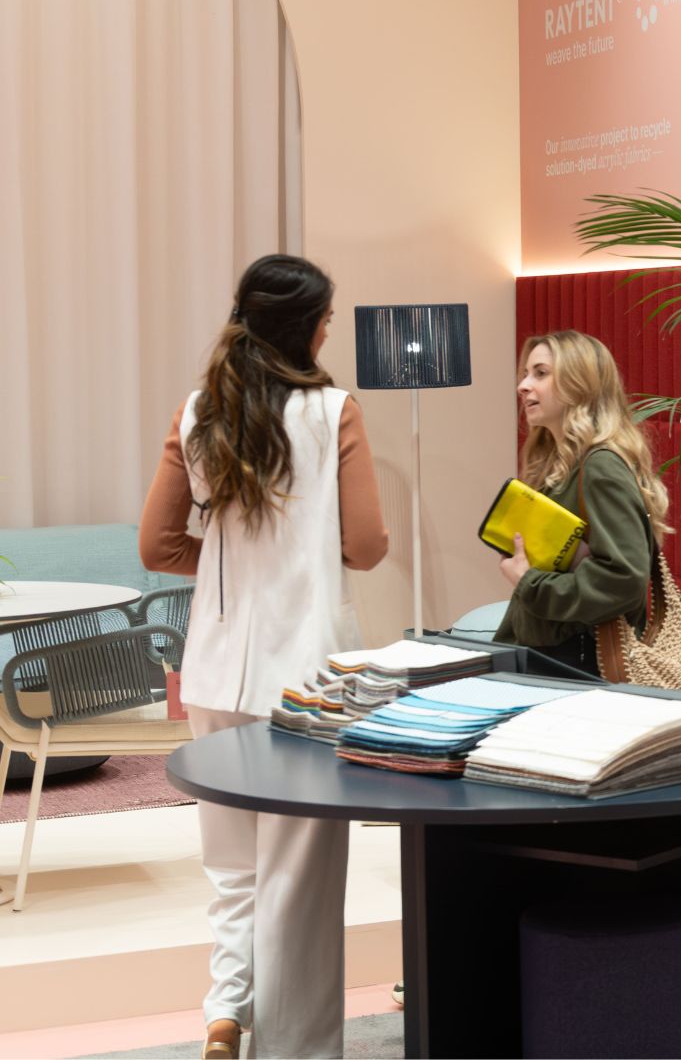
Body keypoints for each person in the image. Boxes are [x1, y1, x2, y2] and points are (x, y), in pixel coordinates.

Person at [139, 253, 389, 1059]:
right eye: (325, 319)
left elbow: (156, 546)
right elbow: (367, 546)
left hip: (213, 672)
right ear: (307, 328)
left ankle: (223, 1018)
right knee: (299, 885)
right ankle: (297, 1051)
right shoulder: (334, 412)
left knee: (231, 869)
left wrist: (226, 562)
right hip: (305, 682)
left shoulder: (197, 411)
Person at [493, 329, 677, 678]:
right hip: (549, 660)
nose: (523, 386)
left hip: (580, 667)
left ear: (579, 384)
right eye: (526, 374)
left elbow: (623, 579)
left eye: (541, 373)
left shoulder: (600, 467)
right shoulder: (558, 466)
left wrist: (529, 583)